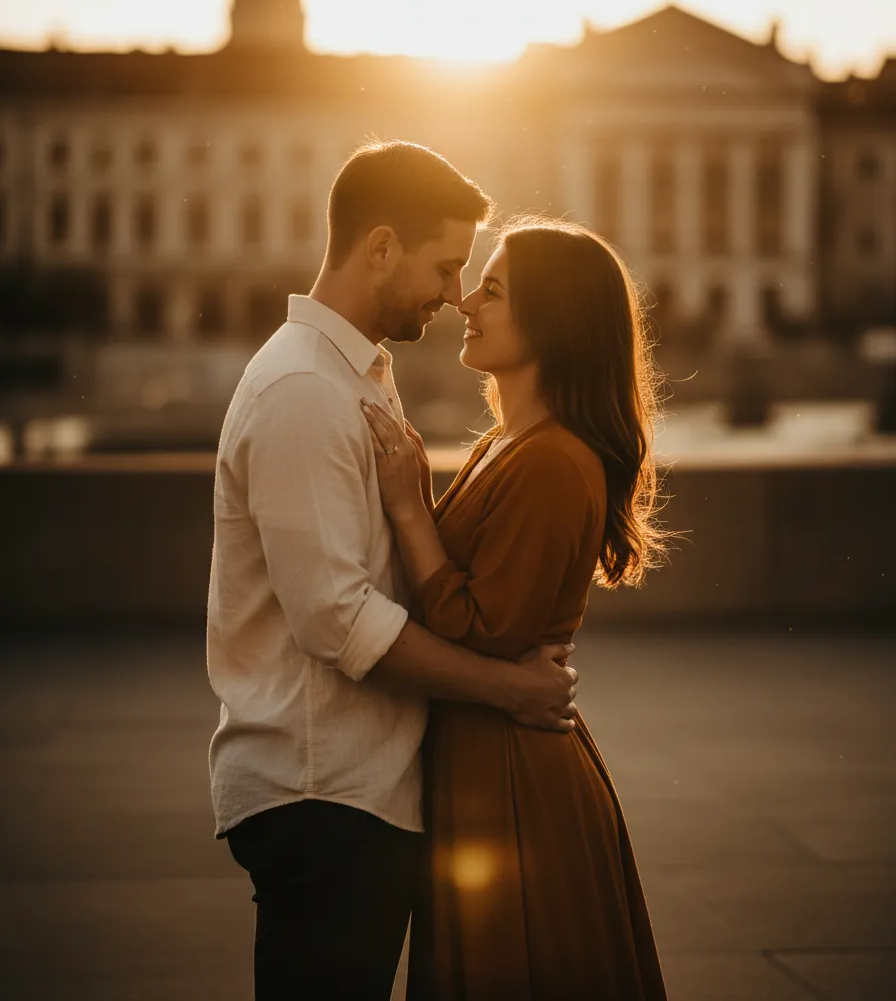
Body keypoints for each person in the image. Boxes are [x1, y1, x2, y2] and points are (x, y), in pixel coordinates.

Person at [206, 142, 579, 1001]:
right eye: (446, 267)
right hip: (321, 791)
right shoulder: (304, 389)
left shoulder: (352, 376)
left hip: (348, 790)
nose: (455, 296)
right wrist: (507, 687)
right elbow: (337, 620)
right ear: (379, 247)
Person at [362, 217, 669, 1000]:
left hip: (512, 778)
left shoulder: (556, 463)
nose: (466, 302)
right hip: (486, 757)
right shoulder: (508, 442)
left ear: (552, 319)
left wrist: (409, 510)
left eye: (491, 290)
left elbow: (485, 632)